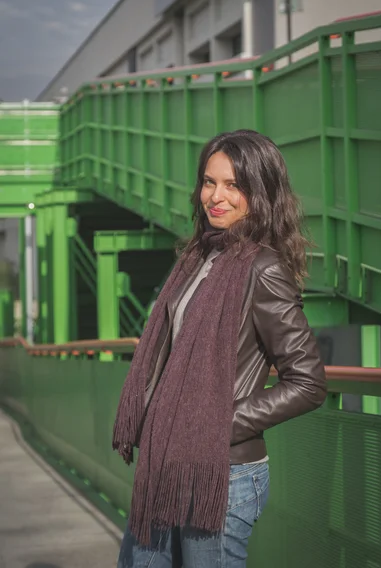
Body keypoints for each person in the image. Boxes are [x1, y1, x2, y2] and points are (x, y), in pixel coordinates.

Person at [113, 129, 327, 568]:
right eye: (210, 182)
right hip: (167, 467)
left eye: (233, 185)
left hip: (222, 473)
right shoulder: (197, 257)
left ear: (260, 192)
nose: (216, 196)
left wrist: (216, 425)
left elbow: (308, 382)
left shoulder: (264, 269)